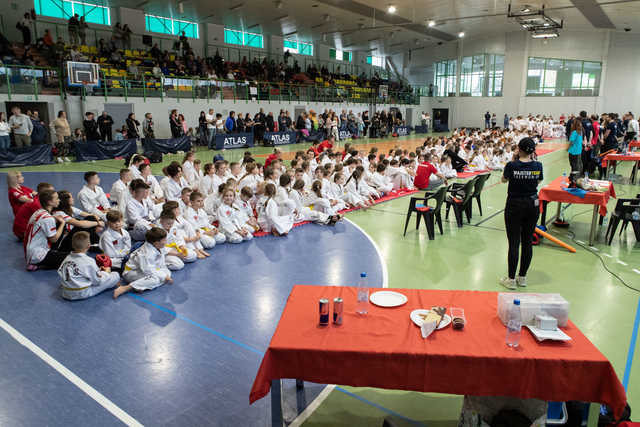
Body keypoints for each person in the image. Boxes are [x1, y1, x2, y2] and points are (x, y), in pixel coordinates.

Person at [499, 137, 543, 290]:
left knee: (514, 242)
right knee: (527, 241)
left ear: (519, 149)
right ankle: (522, 277)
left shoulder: (512, 165)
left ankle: (511, 279)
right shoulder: (538, 165)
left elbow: (504, 180)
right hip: (532, 204)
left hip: (514, 205)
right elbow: (537, 182)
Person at [112, 227, 173, 299]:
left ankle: (141, 285)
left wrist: (164, 275)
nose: (166, 241)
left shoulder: (157, 246)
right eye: (164, 240)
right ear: (156, 242)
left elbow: (160, 262)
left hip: (142, 269)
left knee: (167, 273)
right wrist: (163, 276)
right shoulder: (146, 253)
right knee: (155, 280)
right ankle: (126, 288)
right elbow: (147, 270)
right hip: (131, 272)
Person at [58, 231, 120, 300]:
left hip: (66, 292)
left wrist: (98, 271)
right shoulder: (88, 261)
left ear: (72, 245)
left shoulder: (66, 258)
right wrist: (106, 273)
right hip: (82, 293)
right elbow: (97, 281)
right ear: (88, 246)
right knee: (116, 275)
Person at [24, 189, 68, 270]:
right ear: (50, 202)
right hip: (37, 254)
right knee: (70, 258)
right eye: (57, 198)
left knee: (58, 224)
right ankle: (39, 263)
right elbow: (53, 239)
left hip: (30, 251)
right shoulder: (48, 218)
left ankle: (50, 256)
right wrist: (62, 223)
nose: (59, 200)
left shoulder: (38, 212)